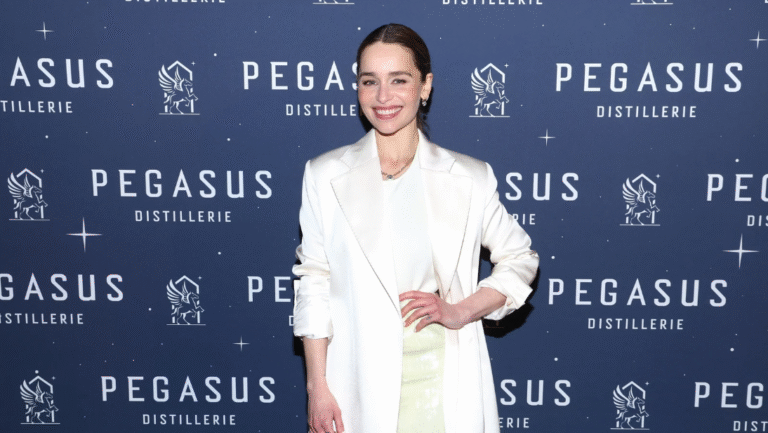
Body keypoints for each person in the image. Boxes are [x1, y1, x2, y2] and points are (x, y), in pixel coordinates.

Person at [293, 23, 539, 433]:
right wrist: (317, 386)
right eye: (369, 81)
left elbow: (520, 259)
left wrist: (460, 311)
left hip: (444, 380)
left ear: (425, 86)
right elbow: (314, 281)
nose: (382, 96)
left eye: (399, 80)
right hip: (357, 382)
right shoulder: (324, 175)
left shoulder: (469, 177)